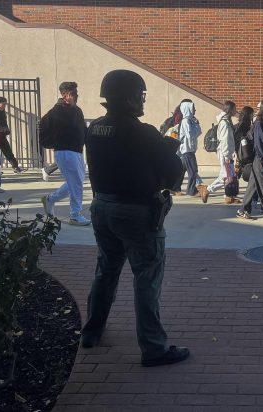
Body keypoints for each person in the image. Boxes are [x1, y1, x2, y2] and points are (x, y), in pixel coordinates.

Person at [81, 69, 189, 367]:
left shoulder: (95, 128)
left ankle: (91, 331)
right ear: (129, 99)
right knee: (147, 279)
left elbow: (118, 160)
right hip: (136, 214)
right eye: (140, 96)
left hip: (102, 208)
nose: (143, 101)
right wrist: (168, 149)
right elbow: (173, 175)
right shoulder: (142, 132)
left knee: (106, 271)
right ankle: (154, 348)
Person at [39, 82, 90, 225]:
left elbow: (82, 131)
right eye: (74, 94)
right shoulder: (56, 112)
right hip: (65, 152)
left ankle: (50, 199)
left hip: (77, 152)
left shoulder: (77, 111)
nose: (77, 96)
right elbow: (44, 132)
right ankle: (75, 215)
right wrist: (54, 143)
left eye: (77, 94)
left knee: (75, 182)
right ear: (65, 95)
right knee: (76, 184)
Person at [198, 101, 239, 204]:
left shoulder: (226, 121)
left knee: (228, 175)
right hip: (225, 152)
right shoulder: (224, 123)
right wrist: (227, 155)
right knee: (226, 176)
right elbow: (225, 140)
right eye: (234, 108)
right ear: (230, 110)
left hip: (226, 152)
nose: (236, 111)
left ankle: (228, 196)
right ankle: (207, 189)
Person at [177, 100, 202, 197]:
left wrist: (196, 126)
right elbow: (190, 134)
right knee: (193, 170)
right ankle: (191, 191)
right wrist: (197, 127)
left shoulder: (191, 120)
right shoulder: (186, 121)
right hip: (187, 150)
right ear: (187, 109)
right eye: (192, 108)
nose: (194, 110)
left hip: (189, 149)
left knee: (182, 169)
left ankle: (174, 187)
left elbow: (196, 133)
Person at [0, 97, 25, 173]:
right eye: (3, 104)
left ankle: (16, 167)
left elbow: (4, 121)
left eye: (5, 104)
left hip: (2, 136)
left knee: (8, 151)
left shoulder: (2, 111)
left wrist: (6, 129)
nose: (5, 105)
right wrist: (1, 128)